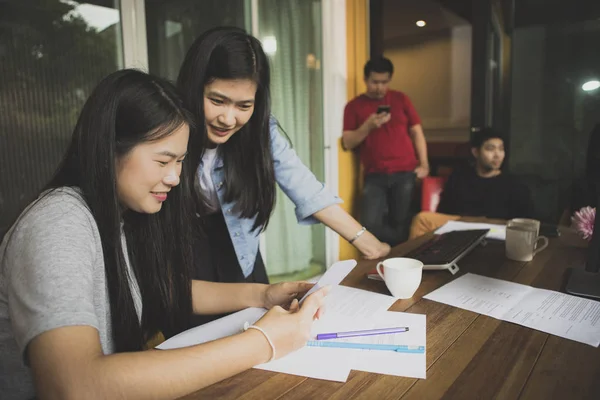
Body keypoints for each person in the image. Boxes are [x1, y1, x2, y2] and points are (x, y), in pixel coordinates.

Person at [0, 69, 328, 400]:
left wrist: (263, 295)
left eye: (181, 162)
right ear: (110, 149)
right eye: (163, 161)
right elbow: (73, 386)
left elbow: (162, 288)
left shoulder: (122, 217)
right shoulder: (58, 222)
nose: (174, 178)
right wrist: (263, 342)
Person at [176, 27, 390, 286]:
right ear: (195, 87)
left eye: (244, 105)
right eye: (218, 101)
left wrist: (366, 241)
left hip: (239, 246)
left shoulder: (260, 130)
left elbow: (304, 185)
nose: (228, 119)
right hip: (184, 248)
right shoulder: (168, 127)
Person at [342, 56, 430, 246]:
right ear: (365, 80)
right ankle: (391, 251)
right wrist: (368, 126)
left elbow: (417, 132)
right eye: (375, 82)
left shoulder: (401, 99)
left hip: (405, 171)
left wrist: (424, 163)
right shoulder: (354, 106)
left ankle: (395, 259)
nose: (380, 87)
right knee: (368, 223)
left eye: (384, 82)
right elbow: (348, 142)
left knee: (401, 222)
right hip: (375, 174)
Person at [410, 128, 534, 238]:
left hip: (497, 227)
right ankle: (415, 262)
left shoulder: (513, 183)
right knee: (422, 219)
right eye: (490, 149)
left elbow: (523, 220)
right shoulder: (460, 176)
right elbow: (445, 210)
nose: (497, 155)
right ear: (476, 152)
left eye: (501, 149)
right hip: (461, 225)